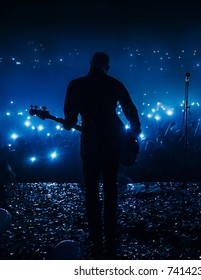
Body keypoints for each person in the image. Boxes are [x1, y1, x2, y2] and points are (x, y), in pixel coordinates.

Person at [63, 52, 141, 258]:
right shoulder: (114, 84)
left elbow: (69, 120)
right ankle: (110, 228)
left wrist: (69, 122)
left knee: (91, 187)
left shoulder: (76, 85)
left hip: (90, 140)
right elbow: (129, 109)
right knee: (110, 186)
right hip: (112, 140)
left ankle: (95, 232)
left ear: (90, 64)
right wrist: (135, 129)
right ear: (108, 66)